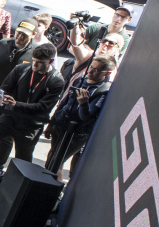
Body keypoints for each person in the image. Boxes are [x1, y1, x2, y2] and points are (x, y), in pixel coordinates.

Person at [0, 42, 64, 184]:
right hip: (10, 117)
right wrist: (1, 97)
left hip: (31, 125)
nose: (35, 65)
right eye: (34, 60)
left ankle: (16, 186)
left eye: (40, 62)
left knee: (23, 159)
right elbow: (5, 87)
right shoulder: (22, 69)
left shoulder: (56, 81)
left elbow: (43, 107)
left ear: (51, 61)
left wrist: (16, 104)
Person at [45, 53, 116, 181]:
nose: (90, 71)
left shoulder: (103, 90)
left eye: (96, 70)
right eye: (91, 67)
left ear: (107, 73)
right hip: (61, 125)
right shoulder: (80, 80)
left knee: (55, 162)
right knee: (52, 159)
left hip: (76, 134)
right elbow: (64, 102)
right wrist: (52, 123)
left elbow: (86, 117)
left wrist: (83, 103)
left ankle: (53, 187)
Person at [0, 19, 38, 168]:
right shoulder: (4, 44)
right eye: (18, 33)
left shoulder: (34, 52)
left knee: (7, 137)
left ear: (33, 35)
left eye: (25, 35)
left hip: (14, 101)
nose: (20, 37)